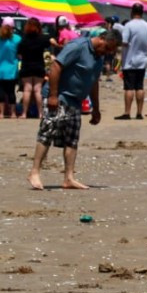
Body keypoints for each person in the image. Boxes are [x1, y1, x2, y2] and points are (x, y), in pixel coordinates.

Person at [27, 29, 122, 190]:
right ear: (102, 38)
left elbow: (93, 83)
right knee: (47, 133)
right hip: (60, 96)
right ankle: (34, 172)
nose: (106, 52)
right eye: (106, 48)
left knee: (72, 138)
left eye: (110, 51)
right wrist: (53, 95)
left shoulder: (99, 58)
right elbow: (56, 66)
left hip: (76, 101)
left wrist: (96, 108)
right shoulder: (78, 46)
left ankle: (69, 178)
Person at [117, 3, 147, 120]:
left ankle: (127, 112)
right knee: (139, 86)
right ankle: (139, 113)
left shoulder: (128, 25)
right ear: (142, 12)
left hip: (130, 60)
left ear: (132, 12)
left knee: (128, 87)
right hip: (142, 60)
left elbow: (124, 42)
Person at [0, 17, 22, 118]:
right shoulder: (17, 39)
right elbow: (20, 54)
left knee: (0, 91)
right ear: (13, 27)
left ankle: (1, 113)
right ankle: (13, 113)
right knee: (11, 91)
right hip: (12, 69)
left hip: (0, 69)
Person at [17, 17, 51, 119]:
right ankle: (40, 114)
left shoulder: (23, 39)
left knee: (27, 90)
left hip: (26, 66)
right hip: (39, 66)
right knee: (37, 90)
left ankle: (24, 113)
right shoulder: (41, 39)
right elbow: (49, 42)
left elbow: (19, 54)